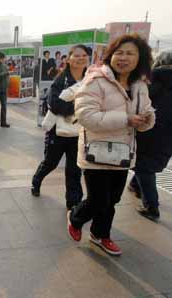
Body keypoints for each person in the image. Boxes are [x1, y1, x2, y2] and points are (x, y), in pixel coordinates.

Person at [67, 34, 155, 256]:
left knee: (112, 200)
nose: (123, 58)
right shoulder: (96, 80)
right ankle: (75, 218)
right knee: (98, 199)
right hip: (95, 152)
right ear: (110, 55)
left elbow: (144, 117)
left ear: (140, 58)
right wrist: (126, 119)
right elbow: (86, 115)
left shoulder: (140, 85)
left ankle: (100, 235)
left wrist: (146, 119)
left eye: (130, 53)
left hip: (123, 153)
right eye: (119, 52)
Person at [31, 45, 89, 210]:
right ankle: (36, 181)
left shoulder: (90, 80)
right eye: (76, 55)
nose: (80, 58)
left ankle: (73, 204)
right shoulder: (61, 79)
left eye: (84, 55)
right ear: (69, 59)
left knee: (74, 169)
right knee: (50, 163)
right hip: (58, 133)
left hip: (79, 134)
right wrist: (77, 110)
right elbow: (53, 104)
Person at [127, 49, 172, 221]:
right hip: (168, 136)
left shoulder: (151, 80)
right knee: (148, 164)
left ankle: (151, 207)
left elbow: (139, 104)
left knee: (144, 167)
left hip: (149, 131)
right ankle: (135, 186)